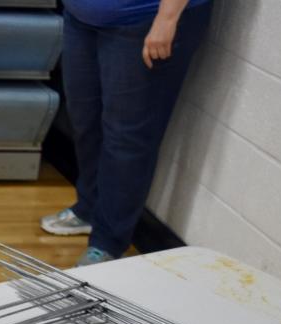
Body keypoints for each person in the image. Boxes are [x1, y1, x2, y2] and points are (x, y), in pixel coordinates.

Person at [40, 0, 211, 266]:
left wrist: (166, 19)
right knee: (85, 118)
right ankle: (89, 208)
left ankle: (108, 241)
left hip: (142, 19)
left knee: (127, 136)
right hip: (83, 16)